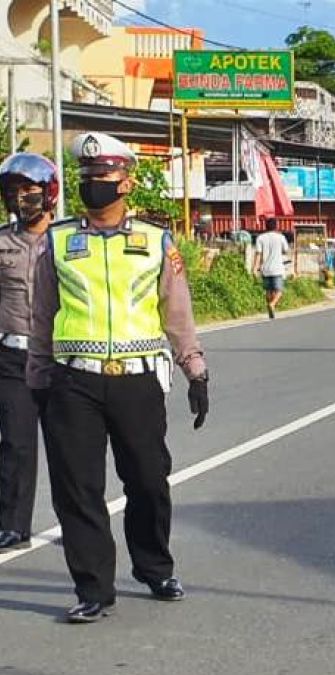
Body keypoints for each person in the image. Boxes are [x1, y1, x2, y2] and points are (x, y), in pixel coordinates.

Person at [28, 132, 210, 623]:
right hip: (72, 381)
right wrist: (37, 377)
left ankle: (154, 567)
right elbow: (42, 314)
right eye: (86, 179)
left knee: (149, 480)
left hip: (137, 380)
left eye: (103, 179)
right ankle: (93, 588)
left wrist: (194, 368)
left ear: (127, 183)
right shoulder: (58, 242)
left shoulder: (156, 242)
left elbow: (177, 313)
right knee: (77, 489)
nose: (93, 187)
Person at [0, 154, 57, 553]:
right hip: (12, 357)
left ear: (49, 193)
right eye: (13, 191)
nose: (21, 198)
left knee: (70, 448)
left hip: (61, 360)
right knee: (16, 445)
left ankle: (79, 523)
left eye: (29, 191)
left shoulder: (71, 240)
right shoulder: (2, 241)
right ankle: (12, 525)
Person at [254, 216, 290, 319]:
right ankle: (273, 304)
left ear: (266, 226)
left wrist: (255, 268)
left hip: (265, 269)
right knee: (279, 290)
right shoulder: (280, 237)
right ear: (276, 226)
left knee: (268, 290)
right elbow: (286, 250)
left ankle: (270, 306)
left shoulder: (260, 238)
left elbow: (258, 254)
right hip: (277, 268)